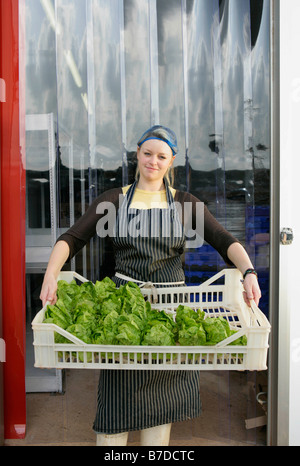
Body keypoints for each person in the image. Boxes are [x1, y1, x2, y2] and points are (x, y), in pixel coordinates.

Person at [40, 125, 261, 446]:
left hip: (169, 319)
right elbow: (72, 238)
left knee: (160, 415)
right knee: (115, 409)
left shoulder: (185, 204)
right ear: (137, 155)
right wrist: (51, 273)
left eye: (161, 156)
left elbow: (225, 241)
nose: (153, 161)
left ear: (171, 161)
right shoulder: (113, 200)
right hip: (124, 315)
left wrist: (249, 272)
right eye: (147, 153)